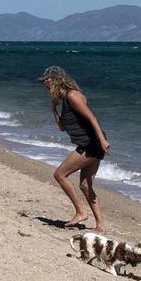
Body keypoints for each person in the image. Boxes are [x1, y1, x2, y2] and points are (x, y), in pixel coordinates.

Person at [40, 65, 111, 231]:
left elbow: (92, 117)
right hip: (91, 144)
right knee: (85, 186)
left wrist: (102, 140)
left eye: (47, 80)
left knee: (60, 174)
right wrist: (54, 109)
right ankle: (100, 226)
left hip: (92, 144)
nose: (45, 84)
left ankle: (80, 212)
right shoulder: (64, 99)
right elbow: (62, 128)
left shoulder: (73, 95)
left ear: (56, 80)